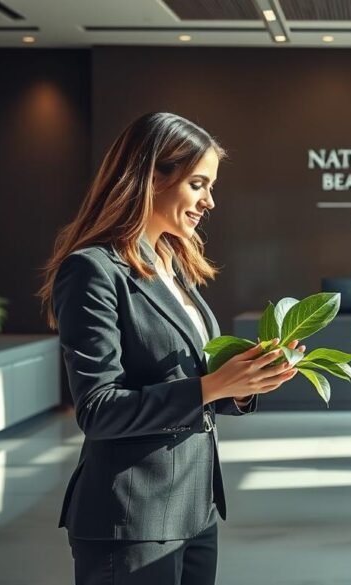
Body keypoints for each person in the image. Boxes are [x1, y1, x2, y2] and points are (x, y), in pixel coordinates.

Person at [38, 112, 300, 584]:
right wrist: (212, 386)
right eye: (198, 184)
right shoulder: (93, 270)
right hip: (131, 519)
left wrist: (243, 383)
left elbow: (191, 379)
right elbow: (98, 410)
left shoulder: (171, 262)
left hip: (195, 509)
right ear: (151, 176)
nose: (209, 201)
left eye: (211, 186)